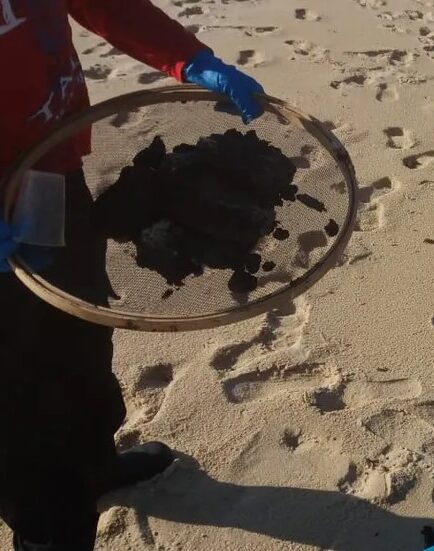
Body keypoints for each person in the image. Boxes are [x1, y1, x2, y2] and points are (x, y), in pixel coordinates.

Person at [0, 1, 264, 549]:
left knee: (80, 330)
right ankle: (46, 528)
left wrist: (186, 57)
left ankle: (92, 460)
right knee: (20, 392)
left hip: (48, 166)